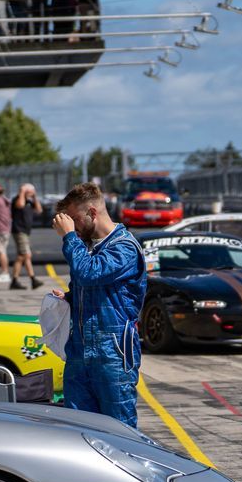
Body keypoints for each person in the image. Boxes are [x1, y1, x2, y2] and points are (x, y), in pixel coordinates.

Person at [51, 180, 147, 426]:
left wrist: (69, 237)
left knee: (118, 427)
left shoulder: (124, 247)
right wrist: (69, 298)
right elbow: (91, 287)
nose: (73, 226)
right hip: (81, 351)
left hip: (113, 352)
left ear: (92, 212)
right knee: (77, 426)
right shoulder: (88, 248)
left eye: (75, 219)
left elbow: (90, 273)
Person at [10, 182, 43, 289]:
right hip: (19, 230)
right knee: (26, 254)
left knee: (21, 256)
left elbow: (39, 210)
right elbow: (20, 205)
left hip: (25, 232)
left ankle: (15, 281)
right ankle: (32, 279)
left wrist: (35, 197)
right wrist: (22, 191)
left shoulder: (29, 201)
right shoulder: (17, 199)